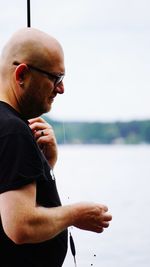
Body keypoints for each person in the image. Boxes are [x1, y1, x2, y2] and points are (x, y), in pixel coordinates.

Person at [0, 27, 112, 267]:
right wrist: (76, 215)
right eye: (55, 78)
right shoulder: (13, 131)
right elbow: (20, 226)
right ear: (21, 75)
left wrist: (45, 163)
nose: (61, 89)